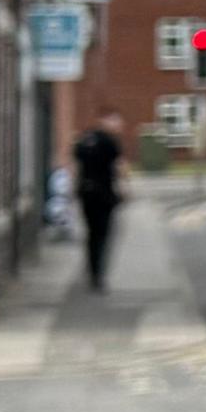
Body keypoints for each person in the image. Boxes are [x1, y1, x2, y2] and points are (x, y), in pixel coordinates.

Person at [70, 112, 126, 293]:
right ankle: (98, 276)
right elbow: (120, 167)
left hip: (86, 193)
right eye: (116, 121)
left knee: (91, 233)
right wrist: (126, 188)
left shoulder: (84, 139)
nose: (119, 125)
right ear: (107, 121)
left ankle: (92, 270)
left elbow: (75, 163)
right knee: (103, 235)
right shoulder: (110, 142)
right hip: (104, 195)